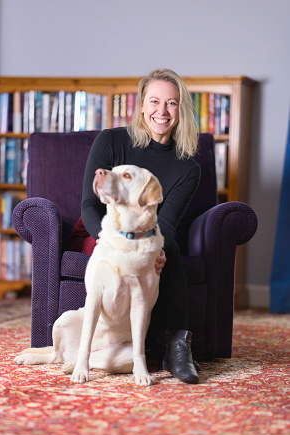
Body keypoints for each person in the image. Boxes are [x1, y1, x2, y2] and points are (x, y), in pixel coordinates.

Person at [79, 68, 201, 384]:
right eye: (155, 101)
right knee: (148, 248)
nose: (162, 112)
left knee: (168, 247)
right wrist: (104, 238)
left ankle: (176, 342)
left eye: (172, 103)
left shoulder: (187, 166)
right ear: (142, 105)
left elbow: (168, 221)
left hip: (148, 235)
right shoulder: (111, 141)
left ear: (181, 109)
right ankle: (138, 341)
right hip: (102, 232)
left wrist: (156, 249)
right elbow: (89, 205)